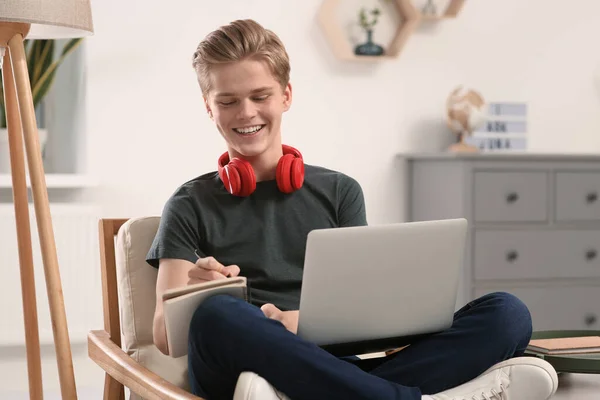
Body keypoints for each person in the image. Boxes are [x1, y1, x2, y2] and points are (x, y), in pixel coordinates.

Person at [146, 19, 557, 400]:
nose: (246, 112)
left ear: (286, 95)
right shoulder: (188, 203)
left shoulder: (339, 191)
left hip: (329, 365)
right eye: (229, 101)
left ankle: (361, 393)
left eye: (260, 96)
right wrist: (195, 294)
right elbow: (165, 337)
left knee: (508, 313)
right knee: (218, 315)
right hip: (242, 369)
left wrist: (301, 324)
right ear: (209, 107)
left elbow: (362, 320)